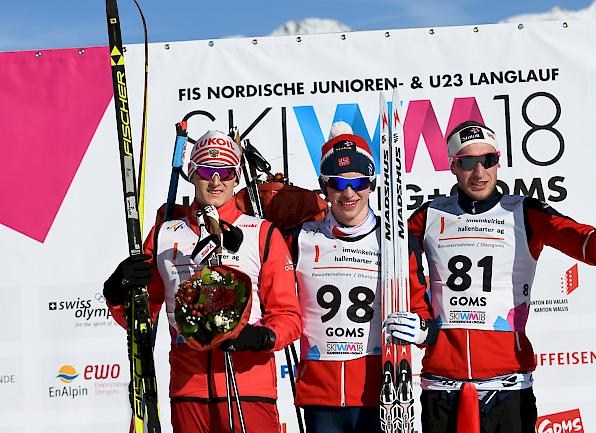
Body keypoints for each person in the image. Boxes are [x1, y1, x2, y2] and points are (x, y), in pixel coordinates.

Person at [383, 120, 596, 433]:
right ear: (453, 166)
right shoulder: (428, 216)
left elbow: (594, 251)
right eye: (467, 163)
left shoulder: (524, 211)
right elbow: (397, 263)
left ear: (498, 161)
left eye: (488, 161)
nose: (479, 173)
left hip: (507, 390)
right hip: (443, 388)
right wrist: (424, 325)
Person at [103, 129, 302, 433]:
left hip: (249, 386)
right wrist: (116, 291)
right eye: (208, 171)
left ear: (236, 178)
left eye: (225, 172)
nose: (216, 181)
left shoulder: (261, 233)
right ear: (193, 174)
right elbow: (143, 318)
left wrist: (261, 338)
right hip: (188, 389)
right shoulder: (165, 234)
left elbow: (289, 316)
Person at [289, 122, 391, 433]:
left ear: (371, 183)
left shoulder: (393, 241)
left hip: (377, 393)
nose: (349, 193)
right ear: (324, 187)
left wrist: (422, 329)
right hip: (320, 396)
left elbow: (419, 305)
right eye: (336, 183)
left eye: (359, 182)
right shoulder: (300, 238)